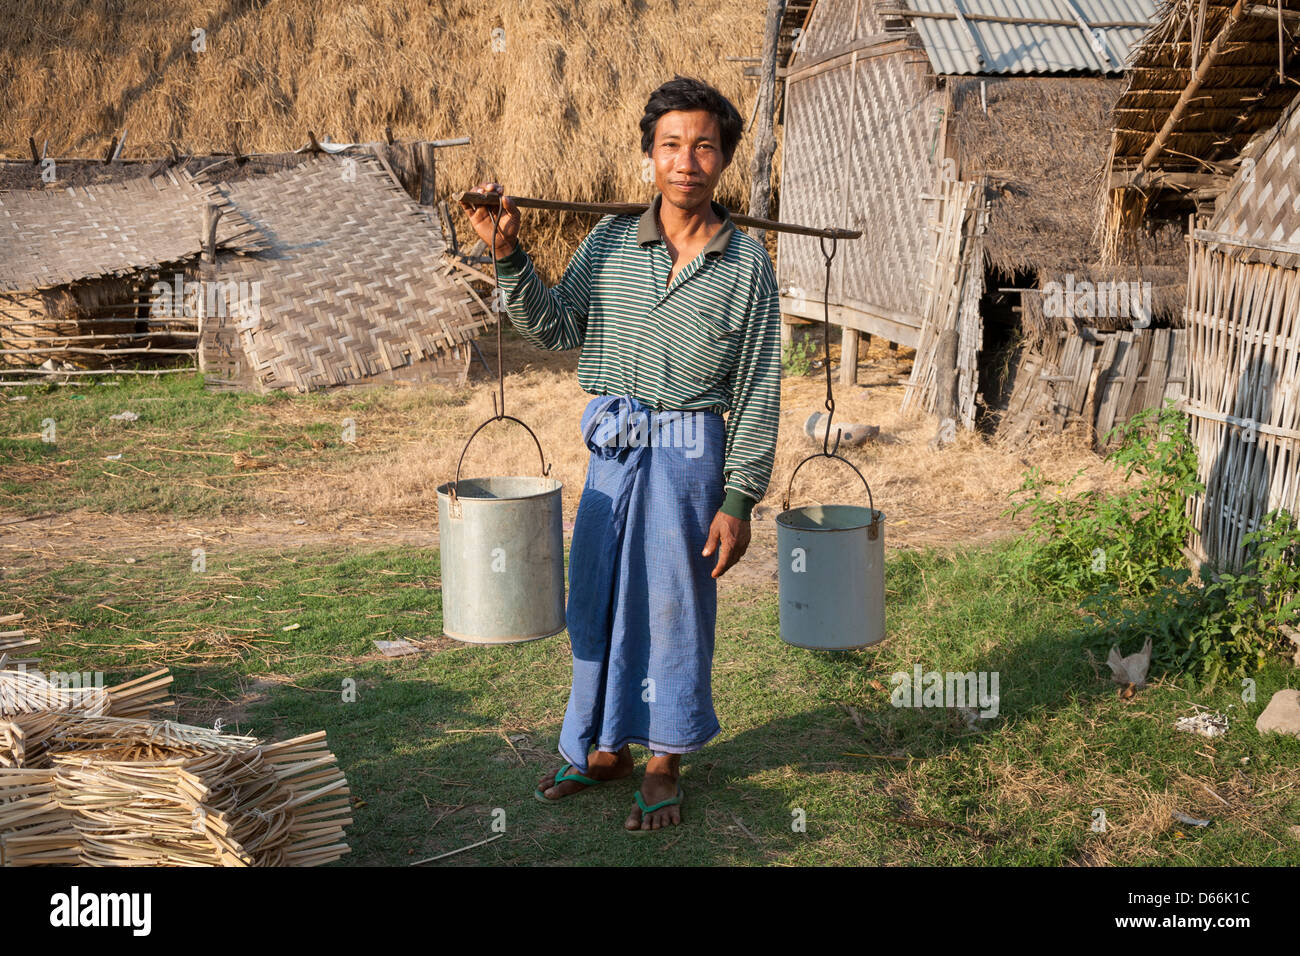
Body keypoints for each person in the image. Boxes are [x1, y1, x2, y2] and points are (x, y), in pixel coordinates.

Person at [459, 75, 780, 832]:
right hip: (614, 448)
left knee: (673, 603)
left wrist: (740, 500)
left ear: (723, 160)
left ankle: (665, 757)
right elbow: (555, 327)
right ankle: (603, 747)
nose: (686, 161)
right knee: (595, 597)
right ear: (650, 157)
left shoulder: (747, 266)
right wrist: (508, 255)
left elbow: (761, 385)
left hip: (690, 449)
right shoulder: (608, 241)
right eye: (671, 145)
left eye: (704, 146)